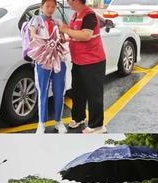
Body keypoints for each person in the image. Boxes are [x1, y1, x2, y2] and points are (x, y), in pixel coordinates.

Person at [60, 0, 106, 134]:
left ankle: (97, 126)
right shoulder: (76, 14)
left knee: (94, 94)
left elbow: (86, 35)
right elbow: (75, 34)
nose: (68, 1)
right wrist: (67, 37)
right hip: (79, 61)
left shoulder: (89, 15)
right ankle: (78, 118)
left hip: (93, 62)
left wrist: (66, 30)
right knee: (78, 92)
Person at [29, 0, 67, 134]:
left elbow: (63, 39)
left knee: (59, 91)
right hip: (42, 61)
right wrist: (45, 41)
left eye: (53, 6)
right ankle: (41, 123)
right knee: (43, 92)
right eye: (47, 6)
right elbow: (32, 35)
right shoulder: (36, 20)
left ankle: (58, 121)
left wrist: (62, 36)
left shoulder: (58, 22)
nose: (50, 9)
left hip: (59, 60)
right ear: (41, 7)